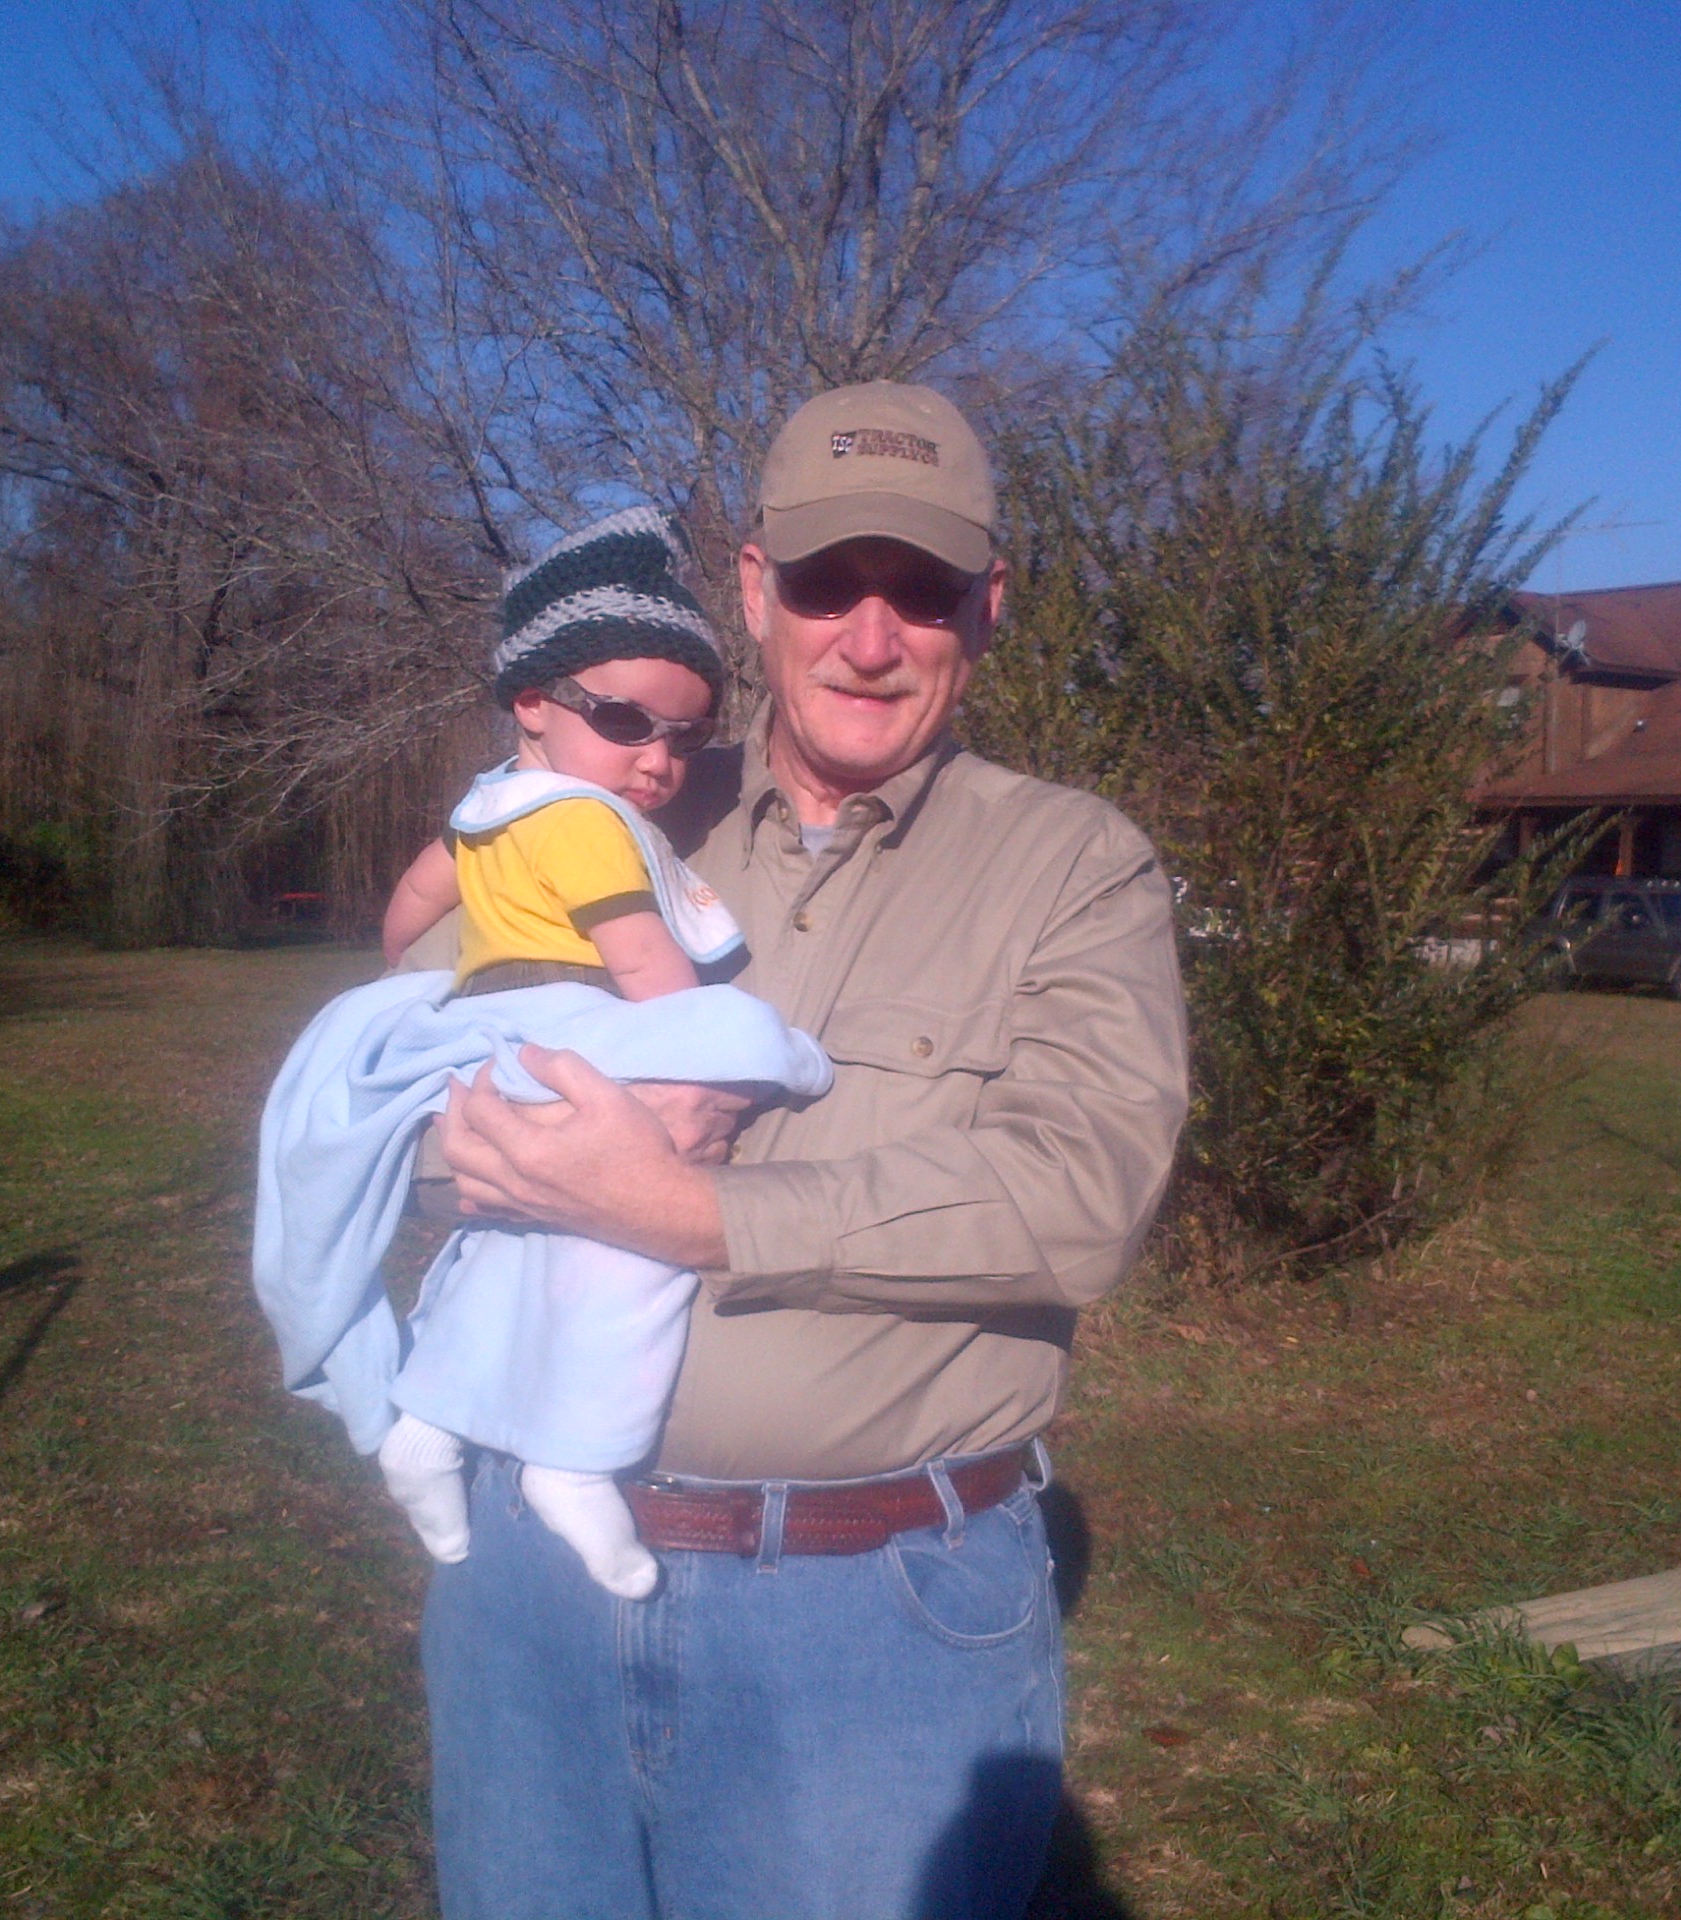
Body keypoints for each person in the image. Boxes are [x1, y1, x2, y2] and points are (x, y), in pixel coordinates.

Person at [414, 381, 1189, 1920]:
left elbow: (1081, 1194)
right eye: (833, 581)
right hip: (527, 1594)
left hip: (874, 1617)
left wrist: (693, 1211)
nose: (871, 636)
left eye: (924, 591)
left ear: (988, 607)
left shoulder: (1075, 865)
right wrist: (475, 1139)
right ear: (759, 588)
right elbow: (409, 1081)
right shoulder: (610, 802)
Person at [250, 509, 830, 1604]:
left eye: (686, 737)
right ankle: (574, 1456)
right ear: (532, 700)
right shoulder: (584, 822)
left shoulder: (483, 809)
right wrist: (717, 1045)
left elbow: (411, 906)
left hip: (486, 1025)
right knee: (668, 1187)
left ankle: (425, 1427)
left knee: (518, 1243)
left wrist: (407, 977)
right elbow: (644, 959)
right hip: (567, 1024)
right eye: (627, 722)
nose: (657, 761)